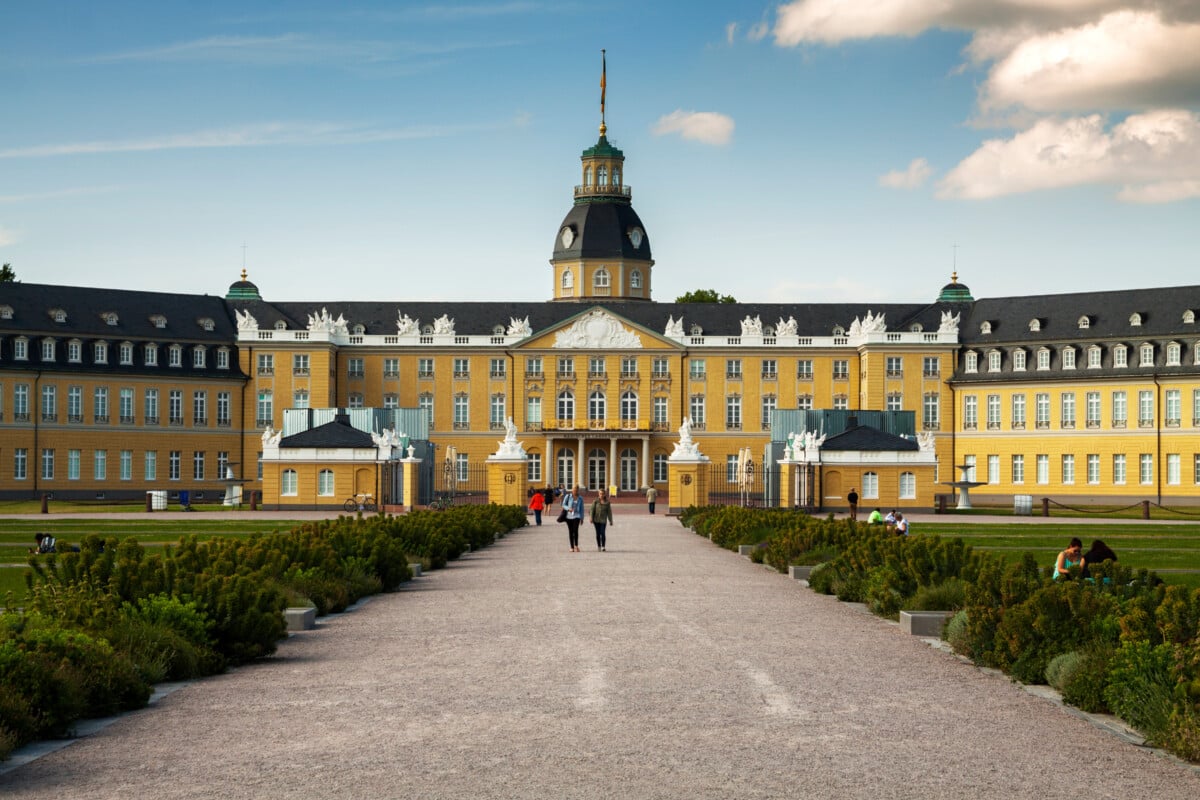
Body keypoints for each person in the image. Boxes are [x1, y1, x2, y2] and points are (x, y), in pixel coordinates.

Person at [563, 486, 583, 552]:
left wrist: (582, 518)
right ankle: (571, 547)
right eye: (574, 490)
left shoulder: (580, 498)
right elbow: (563, 505)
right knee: (570, 531)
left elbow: (582, 509)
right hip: (568, 516)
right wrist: (568, 509)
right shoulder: (568, 496)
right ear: (572, 490)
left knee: (575, 530)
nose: (575, 491)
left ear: (578, 491)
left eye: (576, 490)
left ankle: (576, 546)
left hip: (577, 516)